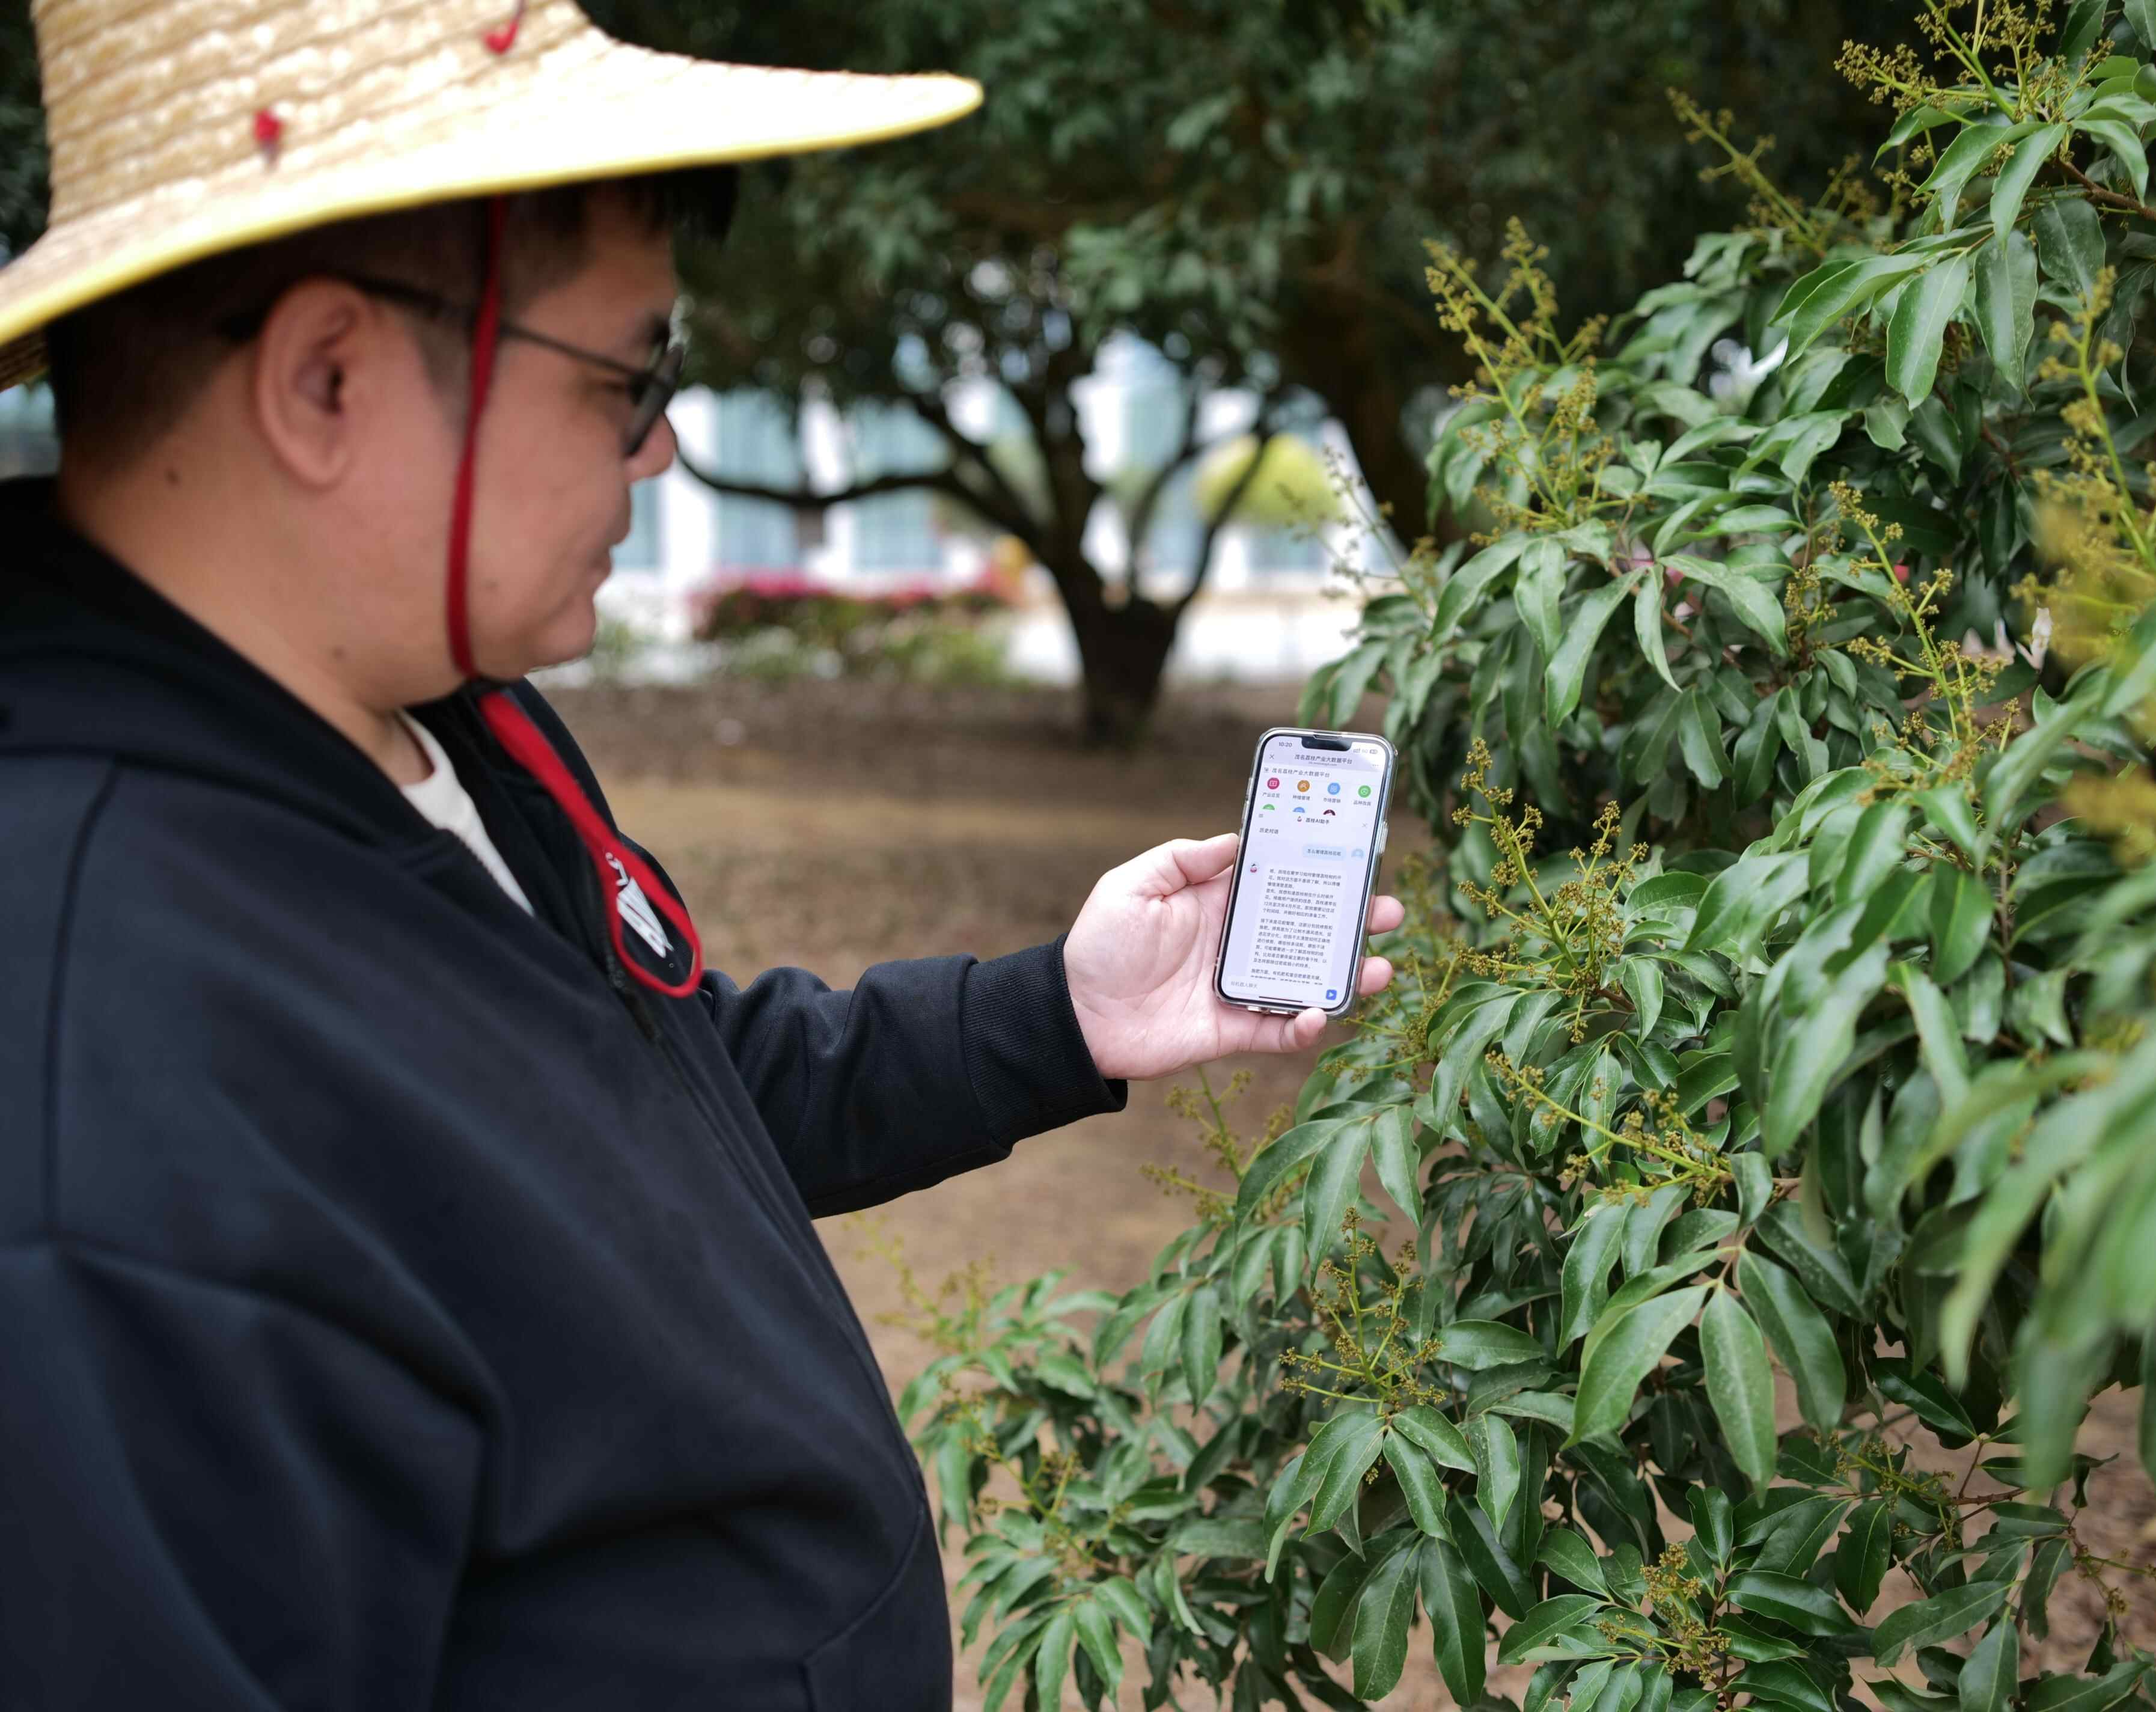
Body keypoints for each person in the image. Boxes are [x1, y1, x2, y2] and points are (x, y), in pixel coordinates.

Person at [0, 1, 1403, 1705]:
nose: (663, 446)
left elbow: (637, 1097)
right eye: (631, 378)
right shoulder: (100, 1092)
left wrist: (1056, 1017)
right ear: (328, 380)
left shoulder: (438, 721)